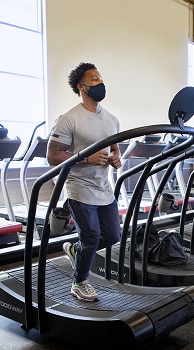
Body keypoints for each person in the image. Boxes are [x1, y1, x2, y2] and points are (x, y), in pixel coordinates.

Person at [47, 63, 122, 301]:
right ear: (81, 87)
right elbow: (52, 156)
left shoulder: (112, 119)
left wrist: (116, 158)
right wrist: (85, 158)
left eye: (100, 78)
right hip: (79, 188)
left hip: (104, 188)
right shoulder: (69, 119)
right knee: (91, 237)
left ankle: (74, 249)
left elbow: (115, 148)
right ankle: (79, 282)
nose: (100, 83)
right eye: (94, 79)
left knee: (111, 237)